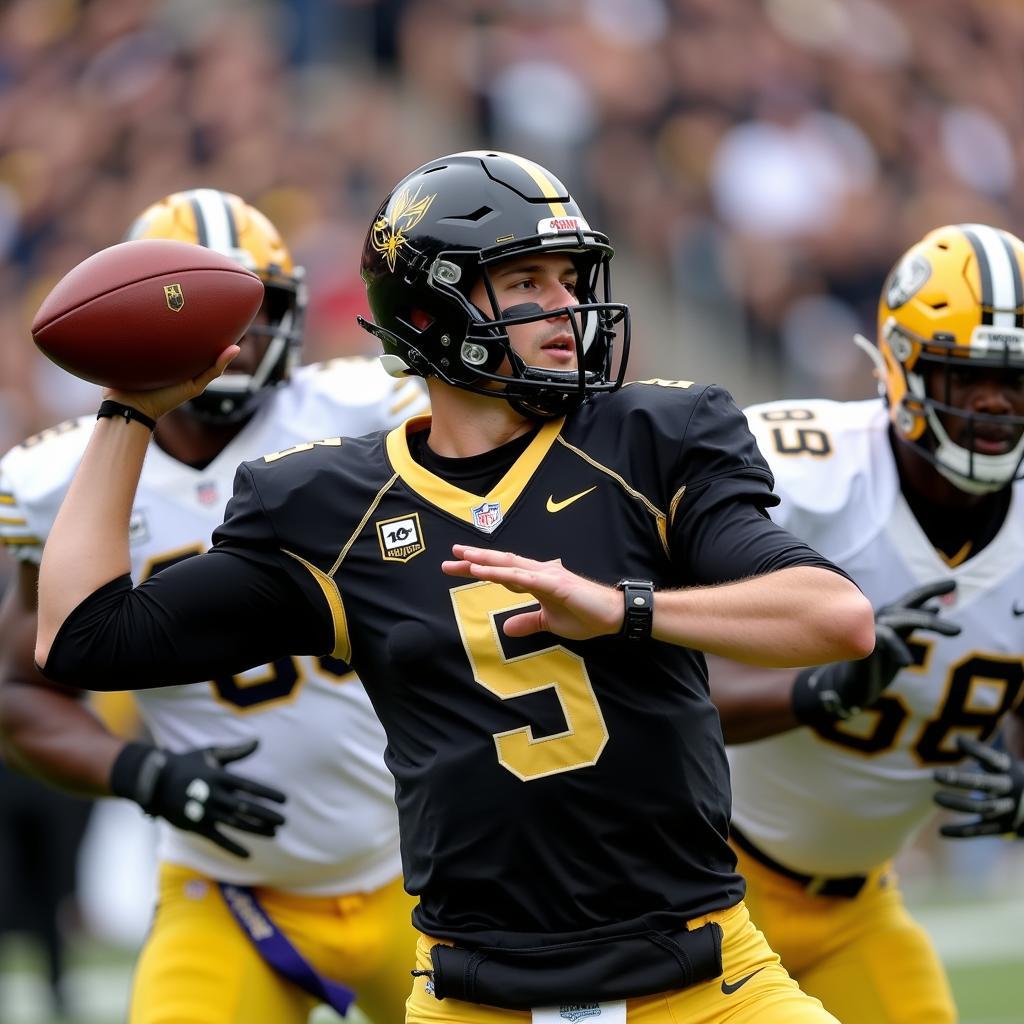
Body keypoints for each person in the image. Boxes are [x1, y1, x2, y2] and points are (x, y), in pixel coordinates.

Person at [33, 151, 875, 1023]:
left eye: (570, 277)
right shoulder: (329, 508)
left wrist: (626, 609)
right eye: (524, 282)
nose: (566, 306)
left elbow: (836, 617)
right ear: (432, 310)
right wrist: (129, 411)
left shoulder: (653, 438)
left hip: (707, 979)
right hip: (474, 995)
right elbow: (82, 637)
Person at [0, 188, 429, 1024]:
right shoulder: (53, 485)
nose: (233, 341)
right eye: (197, 314)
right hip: (224, 888)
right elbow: (22, 692)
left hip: (418, 866)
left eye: (256, 309)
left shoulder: (366, 414)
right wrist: (143, 773)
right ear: (136, 324)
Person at [709, 222, 1024, 1024]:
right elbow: (653, 684)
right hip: (694, 882)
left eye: (1015, 381)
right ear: (904, 369)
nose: (995, 404)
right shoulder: (801, 474)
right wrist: (815, 692)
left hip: (858, 907)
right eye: (966, 376)